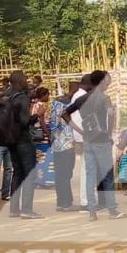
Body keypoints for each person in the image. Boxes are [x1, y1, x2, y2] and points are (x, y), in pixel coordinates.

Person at [63, 70, 127, 222]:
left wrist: (79, 130)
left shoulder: (82, 98)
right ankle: (112, 210)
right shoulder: (104, 98)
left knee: (90, 175)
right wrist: (109, 134)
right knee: (107, 175)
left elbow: (65, 113)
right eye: (107, 81)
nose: (108, 84)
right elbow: (110, 115)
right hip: (101, 140)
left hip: (88, 140)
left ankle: (92, 212)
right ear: (101, 82)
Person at [5, 71, 43, 219]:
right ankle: (27, 210)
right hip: (23, 140)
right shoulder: (22, 98)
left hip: (10, 140)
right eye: (25, 79)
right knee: (29, 174)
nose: (27, 81)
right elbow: (24, 121)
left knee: (17, 173)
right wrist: (37, 114)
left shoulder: (6, 96)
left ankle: (14, 210)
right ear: (20, 81)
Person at [48, 82, 77, 212]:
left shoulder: (55, 102)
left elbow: (52, 123)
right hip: (67, 144)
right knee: (66, 174)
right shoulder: (70, 105)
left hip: (57, 144)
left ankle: (62, 202)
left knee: (60, 174)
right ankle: (66, 203)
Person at [70, 74, 92, 212]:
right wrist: (80, 140)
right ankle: (85, 202)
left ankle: (88, 200)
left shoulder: (80, 95)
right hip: (85, 139)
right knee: (86, 170)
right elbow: (77, 121)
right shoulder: (80, 97)